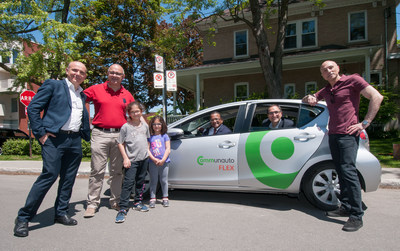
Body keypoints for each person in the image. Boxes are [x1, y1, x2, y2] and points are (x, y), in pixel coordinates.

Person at [302, 60, 383, 232]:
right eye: (324, 70)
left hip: (348, 135)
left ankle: (356, 215)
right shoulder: (327, 89)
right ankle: (345, 206)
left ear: (338, 68)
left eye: (331, 67)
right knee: (340, 171)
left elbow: (377, 96)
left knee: (348, 171)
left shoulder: (353, 80)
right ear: (322, 74)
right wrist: (309, 97)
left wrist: (365, 123)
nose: (328, 71)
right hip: (333, 135)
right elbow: (310, 100)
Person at [14, 61, 90, 237]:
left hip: (74, 140)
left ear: (85, 76)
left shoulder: (81, 94)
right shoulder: (54, 85)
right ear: (67, 71)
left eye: (82, 72)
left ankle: (61, 212)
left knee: (68, 179)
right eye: (75, 70)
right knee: (49, 175)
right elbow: (33, 108)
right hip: (55, 139)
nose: (77, 74)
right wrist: (40, 133)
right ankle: (23, 217)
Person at [83, 64, 135, 218]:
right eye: (111, 72)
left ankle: (116, 201)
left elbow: (134, 115)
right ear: (107, 74)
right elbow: (77, 98)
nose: (114, 75)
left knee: (117, 172)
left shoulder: (127, 94)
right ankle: (92, 204)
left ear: (122, 77)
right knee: (97, 171)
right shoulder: (96, 89)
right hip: (100, 134)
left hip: (120, 136)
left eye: (118, 73)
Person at [115, 101, 150, 223]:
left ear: (141, 111)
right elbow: (120, 143)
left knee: (140, 181)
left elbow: (147, 140)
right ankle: (123, 208)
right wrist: (125, 158)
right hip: (131, 160)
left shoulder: (145, 126)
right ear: (129, 113)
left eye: (138, 111)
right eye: (133, 111)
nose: (136, 113)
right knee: (128, 183)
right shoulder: (126, 127)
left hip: (144, 159)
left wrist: (147, 153)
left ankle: (137, 202)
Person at [148, 115, 171, 208]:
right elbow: (147, 149)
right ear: (152, 125)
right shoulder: (149, 137)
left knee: (164, 180)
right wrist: (154, 159)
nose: (156, 126)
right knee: (153, 180)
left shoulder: (165, 136)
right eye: (154, 124)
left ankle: (165, 197)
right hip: (152, 162)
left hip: (164, 162)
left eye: (159, 124)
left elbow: (168, 149)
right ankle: (152, 198)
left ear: (162, 125)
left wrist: (163, 160)